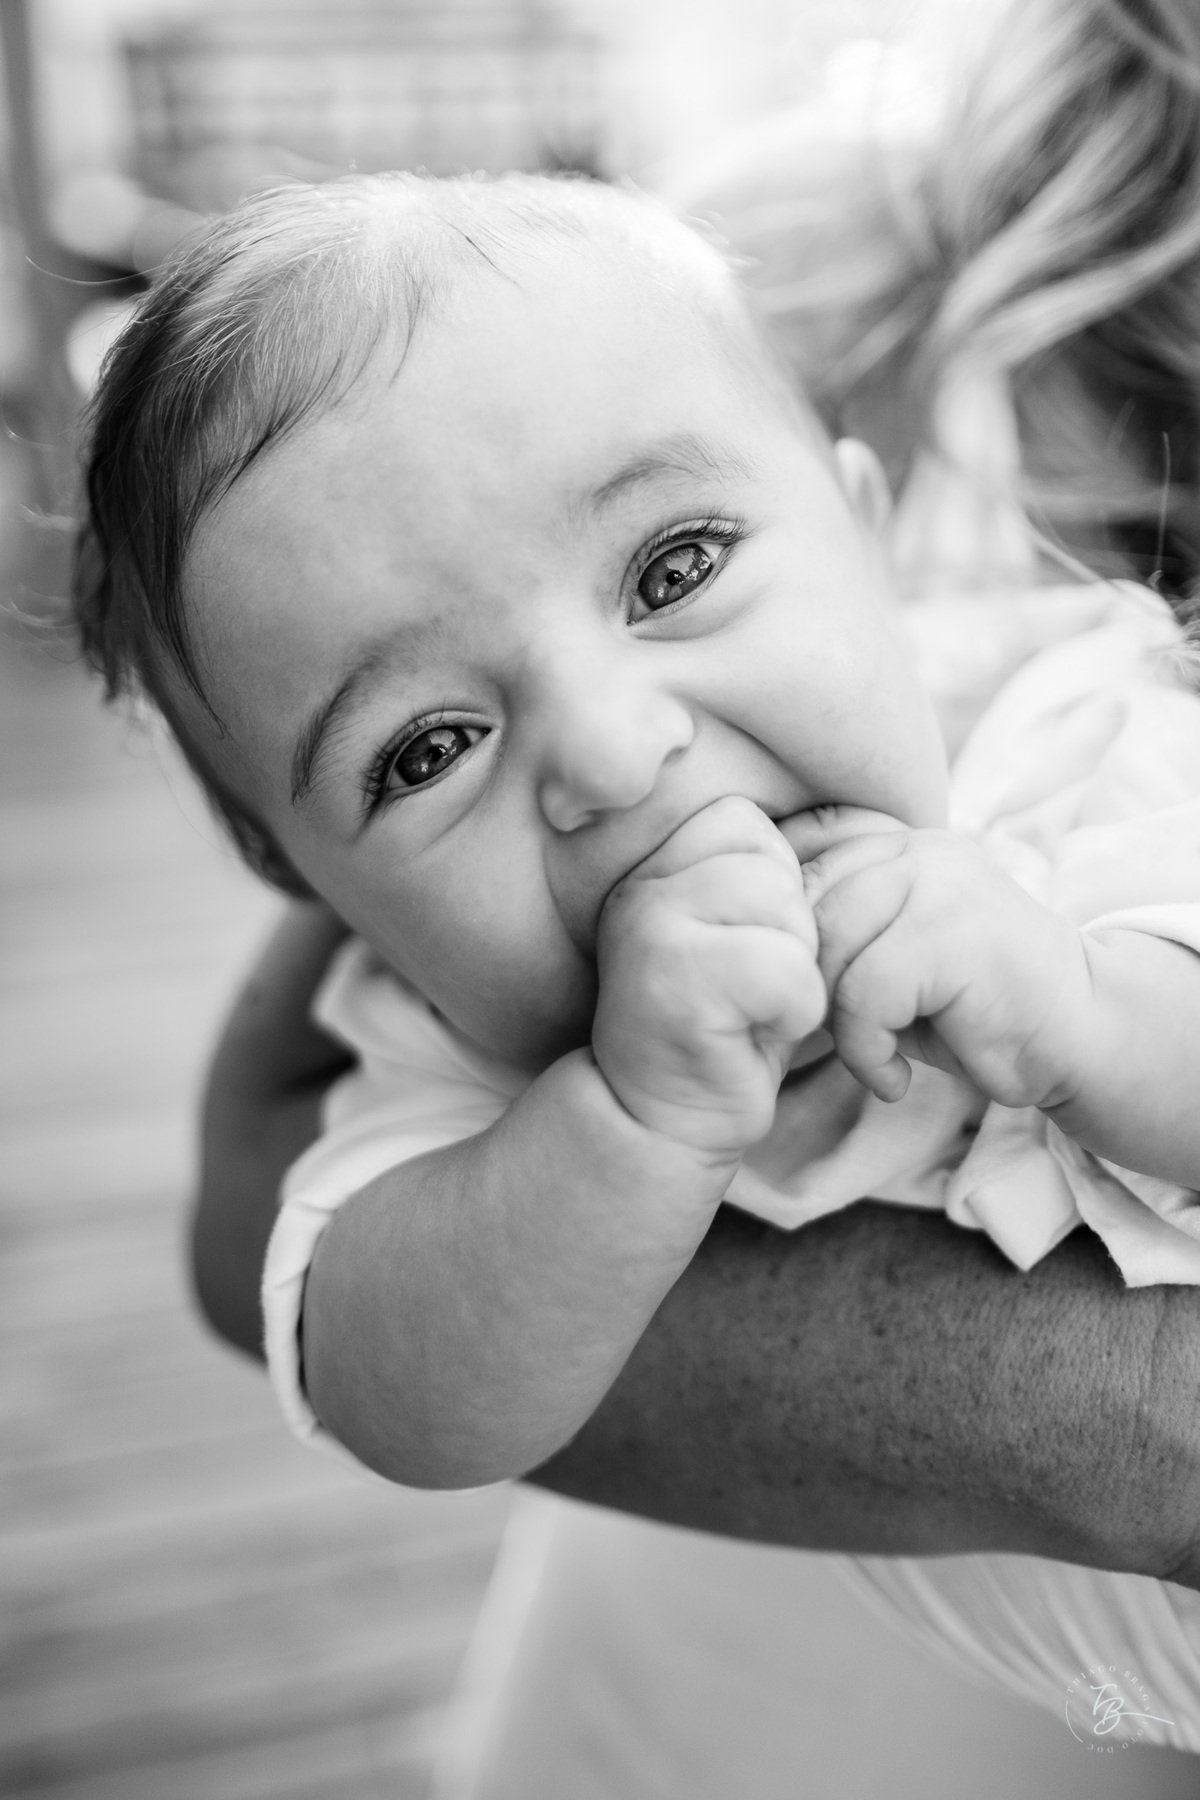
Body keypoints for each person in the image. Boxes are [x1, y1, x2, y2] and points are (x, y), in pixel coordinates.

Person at [74, 0, 1200, 1791]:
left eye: (674, 565)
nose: (612, 746)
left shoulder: (1073, 723)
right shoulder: (439, 1061)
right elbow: (394, 1385)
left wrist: (1082, 1009)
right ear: (315, 889)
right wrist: (628, 1129)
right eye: (424, 748)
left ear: (873, 529)